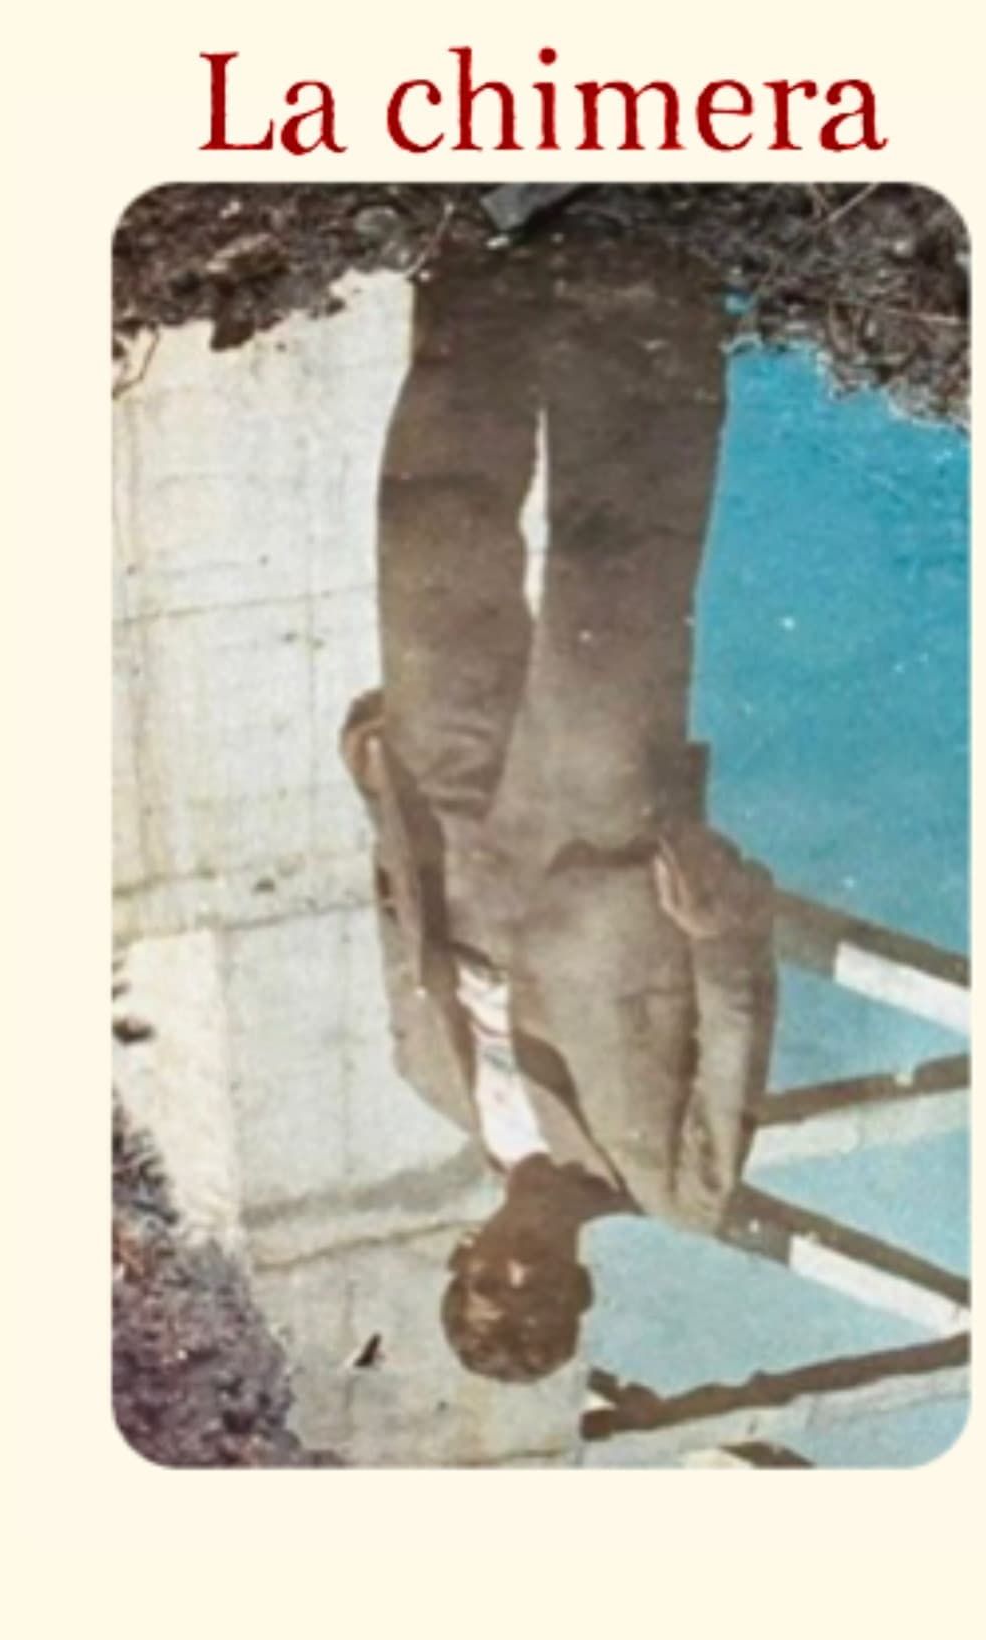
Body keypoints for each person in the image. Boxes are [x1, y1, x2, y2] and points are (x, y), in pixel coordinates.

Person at [341, 232, 777, 1383]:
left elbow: (397, 933)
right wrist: (720, 933)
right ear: (579, 1290)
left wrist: (376, 800)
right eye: (537, 1298)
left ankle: (477, 277)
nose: (516, 1272)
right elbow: (735, 1037)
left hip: (445, 813)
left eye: (487, 1282)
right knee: (610, 567)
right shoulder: (672, 1187)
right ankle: (647, 292)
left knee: (428, 534)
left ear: (464, 1256)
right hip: (597, 841)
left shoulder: (428, 1081)